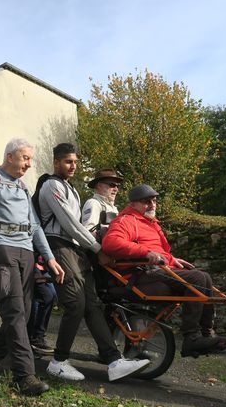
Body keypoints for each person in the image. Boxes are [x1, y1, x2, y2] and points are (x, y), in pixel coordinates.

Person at [0, 137, 65, 396]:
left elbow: (36, 226)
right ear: (10, 156)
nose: (29, 164)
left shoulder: (22, 187)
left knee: (23, 312)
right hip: (1, 250)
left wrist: (50, 258)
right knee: (15, 310)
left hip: (27, 252)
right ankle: (24, 376)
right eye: (25, 158)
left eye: (30, 159)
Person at [38, 143, 149, 382]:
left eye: (75, 162)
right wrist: (98, 248)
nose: (73, 166)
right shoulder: (51, 185)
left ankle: (113, 361)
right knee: (75, 303)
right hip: (58, 244)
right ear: (56, 162)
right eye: (68, 162)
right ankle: (58, 362)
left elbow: (75, 227)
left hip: (75, 248)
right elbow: (70, 223)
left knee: (93, 304)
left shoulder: (73, 191)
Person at [102, 184, 226, 356]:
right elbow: (111, 243)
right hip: (139, 276)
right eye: (146, 202)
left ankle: (206, 334)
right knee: (197, 279)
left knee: (204, 277)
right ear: (133, 204)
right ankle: (191, 338)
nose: (152, 205)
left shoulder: (150, 224)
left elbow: (160, 252)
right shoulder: (126, 220)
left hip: (155, 272)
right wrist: (146, 252)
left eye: (154, 201)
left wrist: (172, 259)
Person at [27, 255, 56, 355]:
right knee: (44, 296)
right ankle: (33, 337)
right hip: (33, 261)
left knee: (49, 295)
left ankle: (36, 337)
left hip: (45, 263)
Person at [82, 168, 123, 235]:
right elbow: (88, 233)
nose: (116, 189)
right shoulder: (93, 203)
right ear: (99, 186)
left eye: (117, 186)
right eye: (112, 185)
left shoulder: (114, 208)